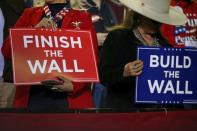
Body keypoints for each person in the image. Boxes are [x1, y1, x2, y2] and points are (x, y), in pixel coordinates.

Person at [1, 0, 98, 109]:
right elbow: (7, 51)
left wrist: (74, 86)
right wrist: (32, 31)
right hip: (33, 98)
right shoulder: (29, 14)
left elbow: (92, 60)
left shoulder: (82, 17)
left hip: (68, 100)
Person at [99, 0, 188, 108]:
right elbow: (104, 76)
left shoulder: (166, 46)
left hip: (161, 117)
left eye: (159, 19)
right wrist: (123, 73)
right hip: (128, 115)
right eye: (152, 18)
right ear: (140, 16)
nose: (156, 22)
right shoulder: (118, 39)